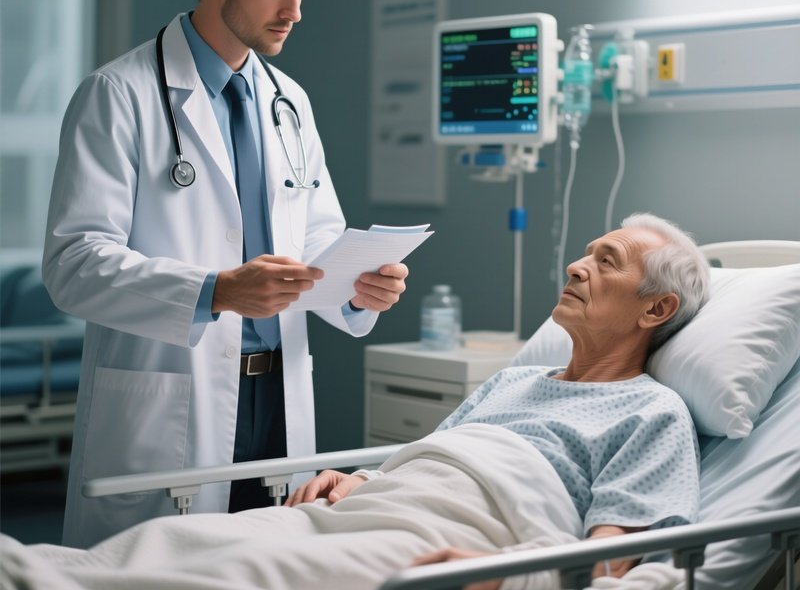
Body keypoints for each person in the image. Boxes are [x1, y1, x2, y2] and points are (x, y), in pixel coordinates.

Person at [11, 213, 708, 590]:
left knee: (248, 575)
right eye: (587, 251)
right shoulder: (515, 382)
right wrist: (361, 478)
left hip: (448, 538)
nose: (578, 265)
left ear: (657, 310)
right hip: (369, 508)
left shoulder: (651, 414)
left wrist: (506, 573)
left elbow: (615, 561)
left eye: (607, 261)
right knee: (172, 544)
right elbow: (429, 458)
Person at [41, 0, 409, 548]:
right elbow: (73, 265)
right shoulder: (118, 95)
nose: (294, 12)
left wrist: (360, 286)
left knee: (265, 564)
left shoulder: (288, 101)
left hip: (278, 398)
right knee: (165, 570)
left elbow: (318, 235)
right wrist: (214, 291)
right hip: (171, 399)